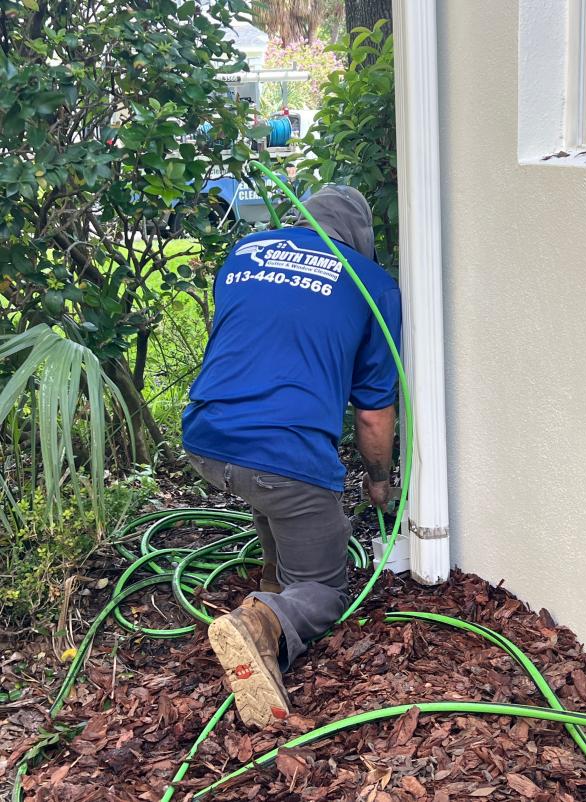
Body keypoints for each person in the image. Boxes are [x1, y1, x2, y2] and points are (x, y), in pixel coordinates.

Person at [182, 185, 401, 728]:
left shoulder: (246, 251)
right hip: (283, 454)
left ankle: (275, 583)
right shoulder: (372, 285)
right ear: (360, 237)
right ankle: (264, 622)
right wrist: (379, 480)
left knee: (271, 488)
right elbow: (374, 414)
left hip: (206, 438)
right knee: (326, 585)